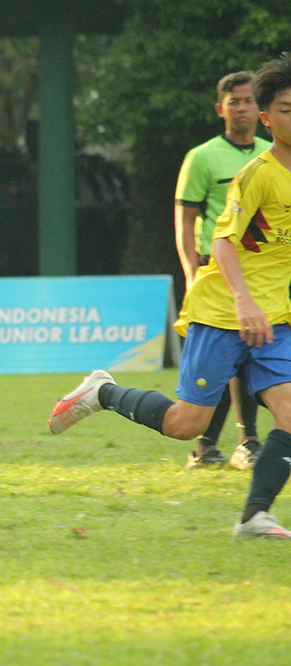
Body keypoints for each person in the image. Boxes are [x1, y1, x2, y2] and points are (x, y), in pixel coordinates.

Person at [48, 53, 291, 541]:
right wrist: (243, 301)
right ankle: (102, 392)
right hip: (223, 311)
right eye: (287, 109)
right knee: (186, 424)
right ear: (267, 118)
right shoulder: (257, 173)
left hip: (274, 319)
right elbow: (222, 243)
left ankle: (254, 516)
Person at [174, 71, 270, 469]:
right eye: (234, 102)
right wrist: (190, 272)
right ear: (220, 109)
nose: (242, 108)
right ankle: (211, 445)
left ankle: (242, 443)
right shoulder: (202, 157)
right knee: (222, 359)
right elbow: (185, 219)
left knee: (251, 352)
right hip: (216, 270)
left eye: (249, 101)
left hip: (262, 272)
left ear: (260, 109)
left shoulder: (272, 154)